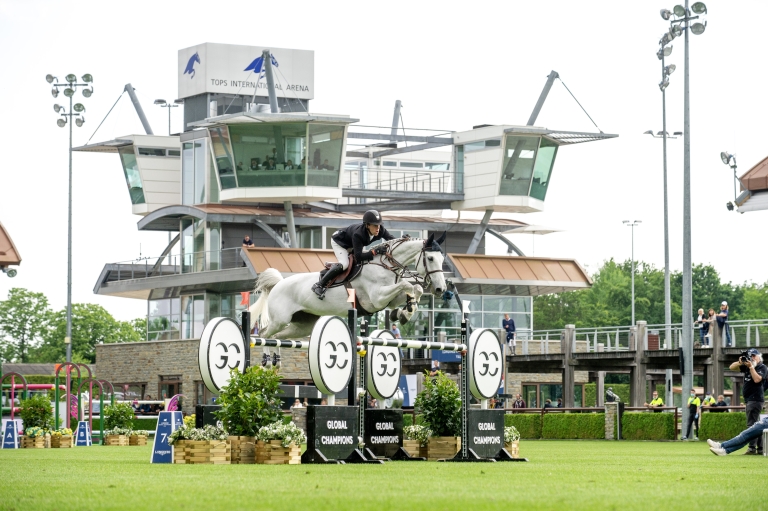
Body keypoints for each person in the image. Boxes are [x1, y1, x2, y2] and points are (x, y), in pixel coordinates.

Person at [311, 209, 394, 299]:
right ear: (367, 225)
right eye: (375, 225)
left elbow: (392, 240)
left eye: (379, 225)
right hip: (339, 241)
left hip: (351, 242)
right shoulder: (359, 234)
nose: (378, 228)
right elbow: (359, 257)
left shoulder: (381, 230)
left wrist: (403, 240)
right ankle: (319, 285)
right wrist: (375, 251)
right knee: (344, 264)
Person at [728, 348, 767, 454]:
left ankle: (751, 448)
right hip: (750, 399)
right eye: (751, 356)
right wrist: (740, 362)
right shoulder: (747, 366)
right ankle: (760, 448)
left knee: (752, 425)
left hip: (755, 399)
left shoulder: (762, 367)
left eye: (754, 355)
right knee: (757, 425)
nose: (753, 357)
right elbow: (731, 367)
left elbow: (757, 379)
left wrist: (751, 367)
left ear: (759, 356)